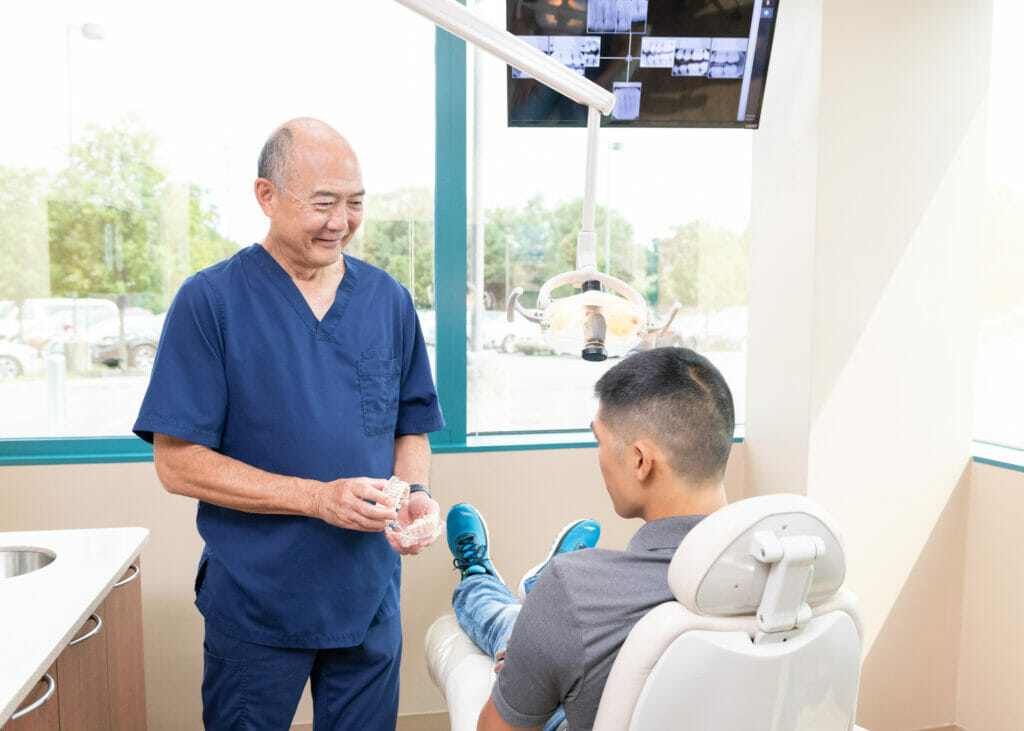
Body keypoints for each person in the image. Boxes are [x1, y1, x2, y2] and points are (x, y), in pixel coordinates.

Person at [133, 117, 445, 730]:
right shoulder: (212, 302)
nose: (341, 222)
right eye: (323, 203)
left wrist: (415, 495)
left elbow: (410, 425)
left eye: (355, 203)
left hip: (367, 594)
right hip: (258, 600)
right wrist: (316, 499)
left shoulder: (387, 300)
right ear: (266, 197)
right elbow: (176, 462)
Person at [441, 346, 734, 730]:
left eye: (599, 440)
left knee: (519, 626)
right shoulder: (794, 577)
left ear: (640, 461)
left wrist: (529, 652)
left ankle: (477, 578)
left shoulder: (576, 592)